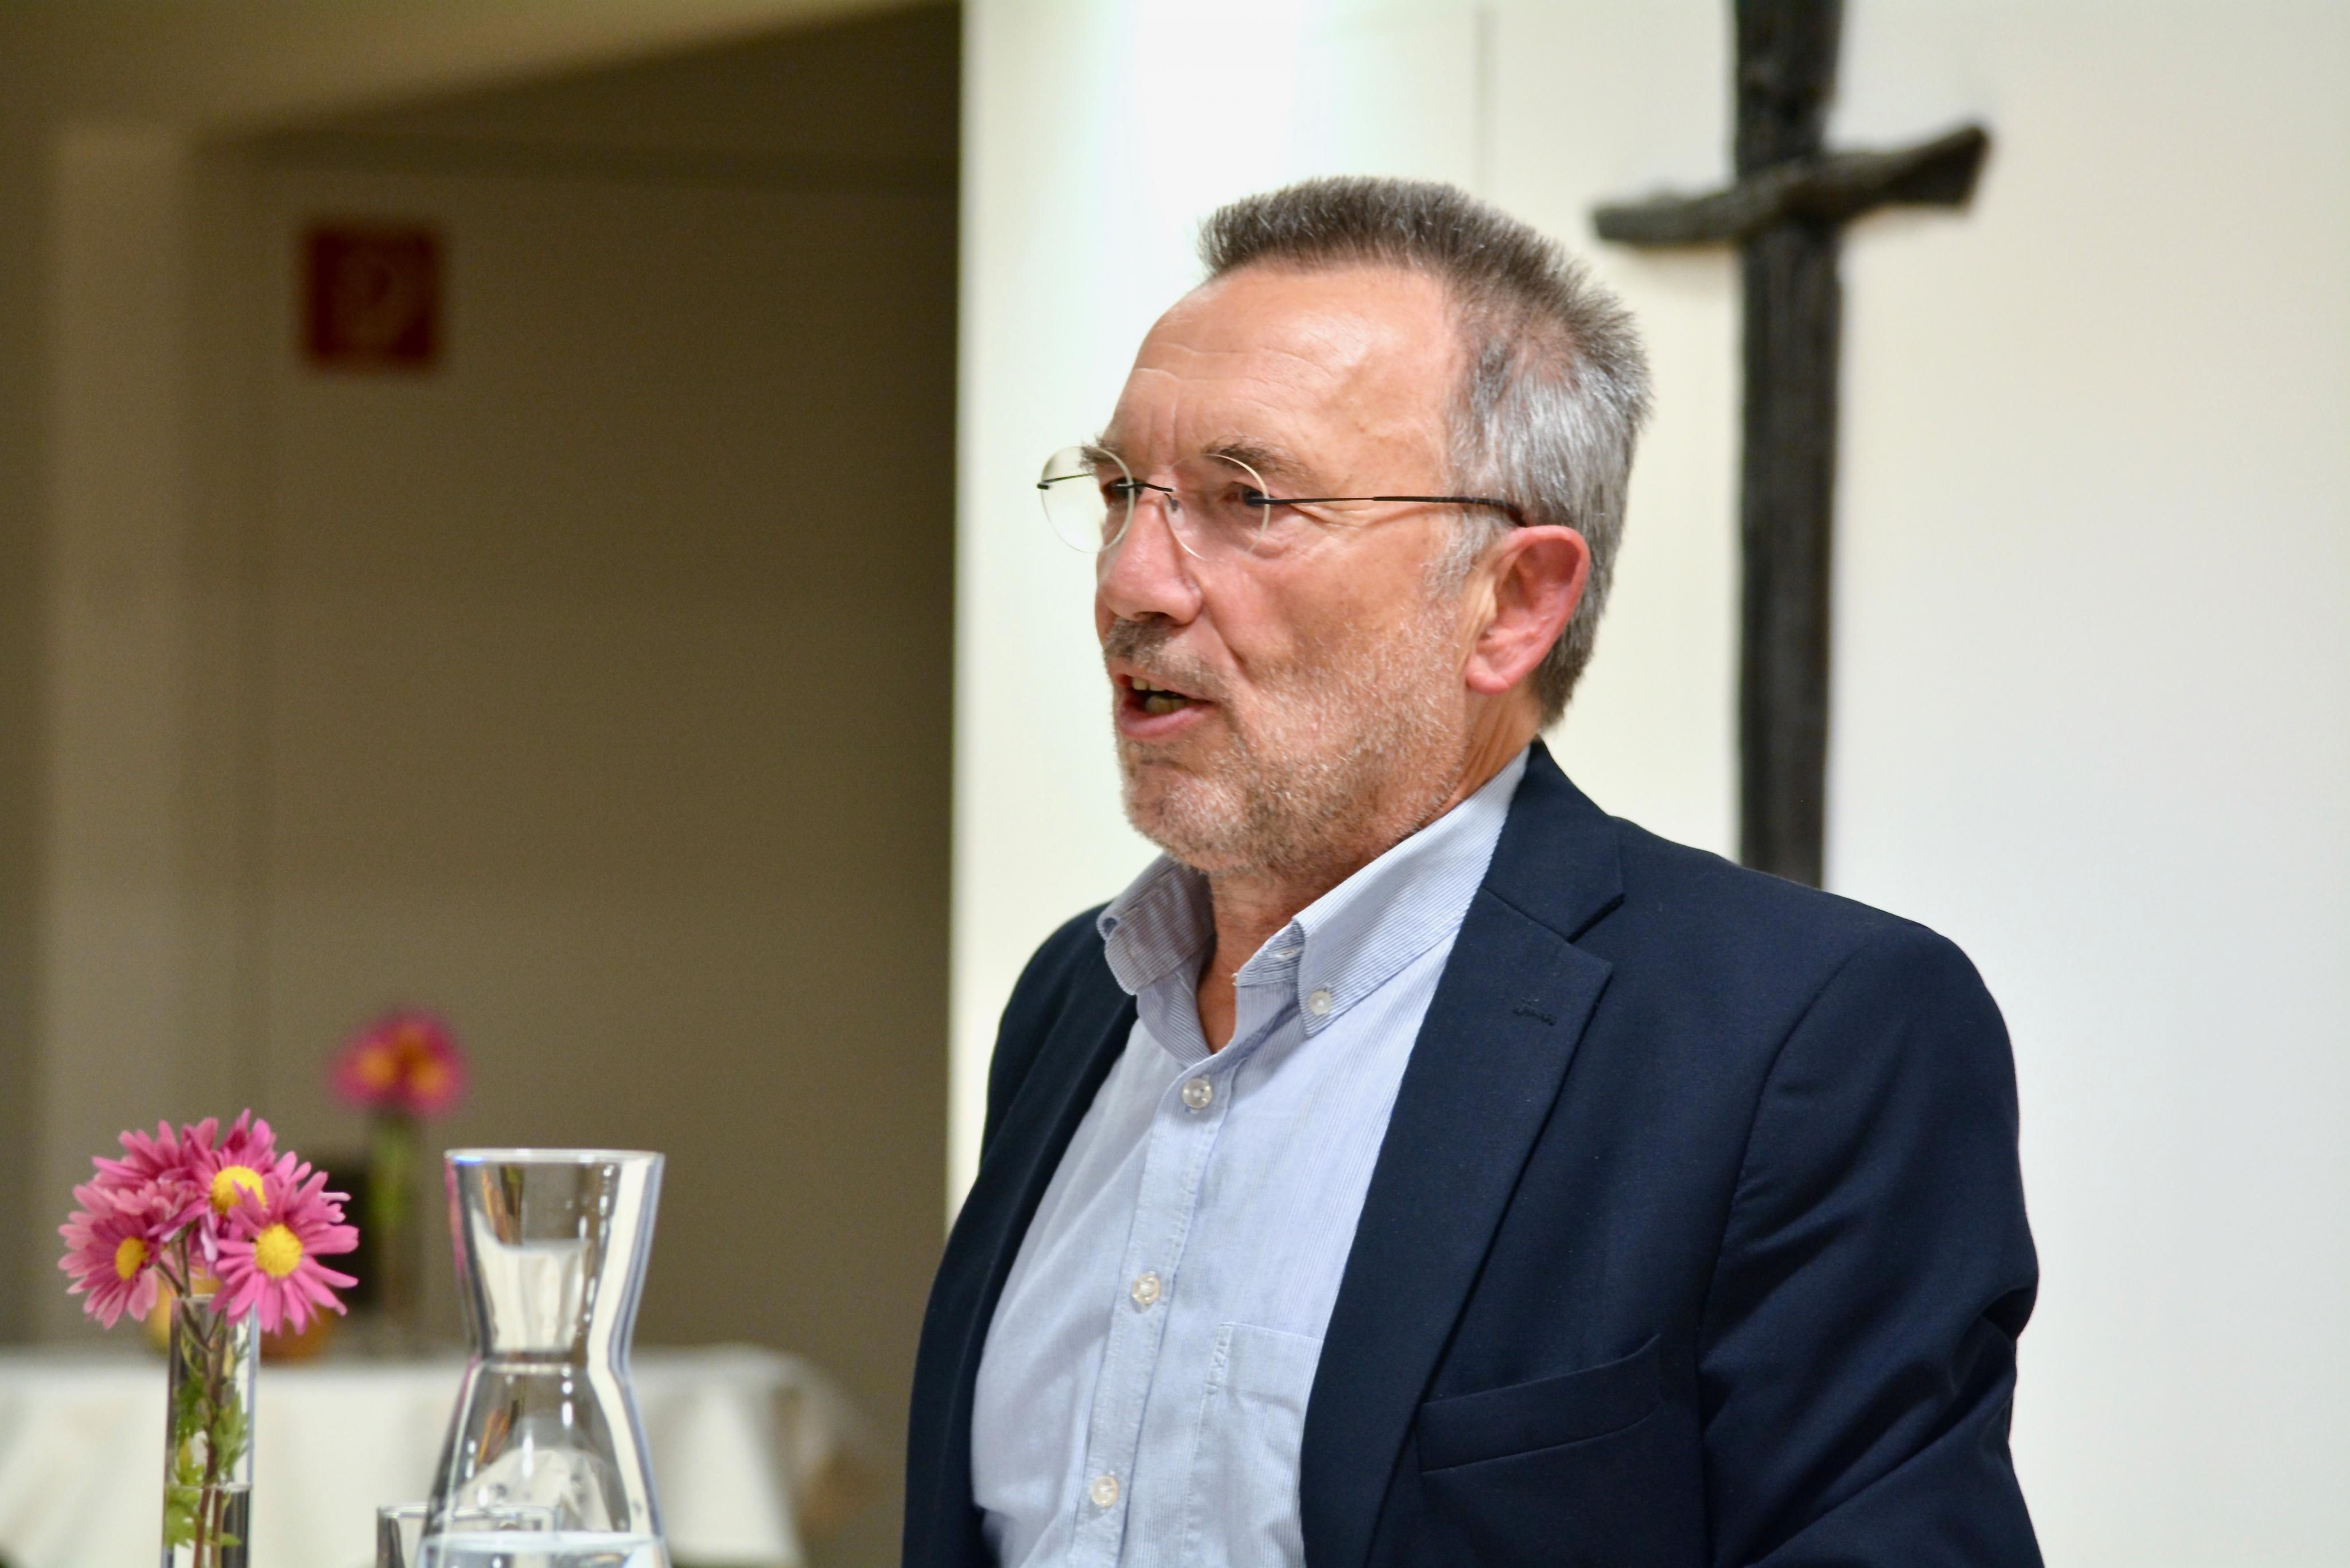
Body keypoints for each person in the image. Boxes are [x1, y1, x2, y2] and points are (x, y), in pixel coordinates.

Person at [905, 177, 2041, 1567]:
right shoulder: (1073, 1000)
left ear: (1511, 602)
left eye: (1246, 500)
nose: (1129, 582)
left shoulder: (1798, 1039)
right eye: (1117, 493)